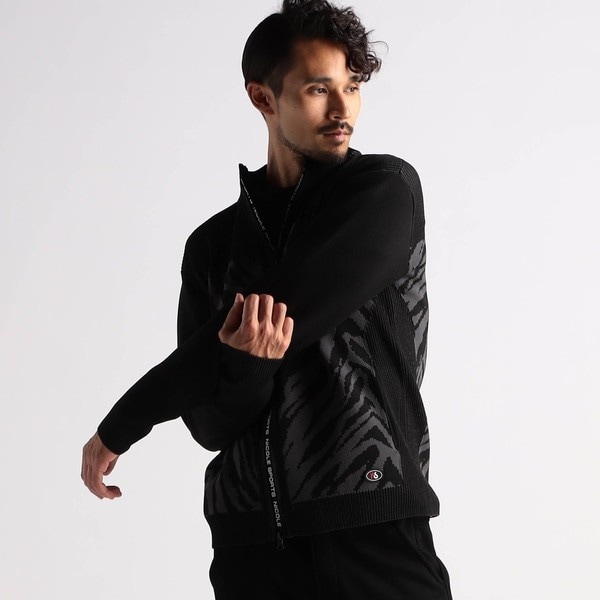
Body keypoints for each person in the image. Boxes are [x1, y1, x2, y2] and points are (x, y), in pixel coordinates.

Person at [81, 1, 453, 597]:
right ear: (263, 98)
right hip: (248, 547)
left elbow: (288, 304)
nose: (343, 110)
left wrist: (127, 418)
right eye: (318, 89)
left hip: (372, 528)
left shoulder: (384, 193)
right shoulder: (211, 247)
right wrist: (251, 365)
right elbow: (209, 425)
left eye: (352, 87)